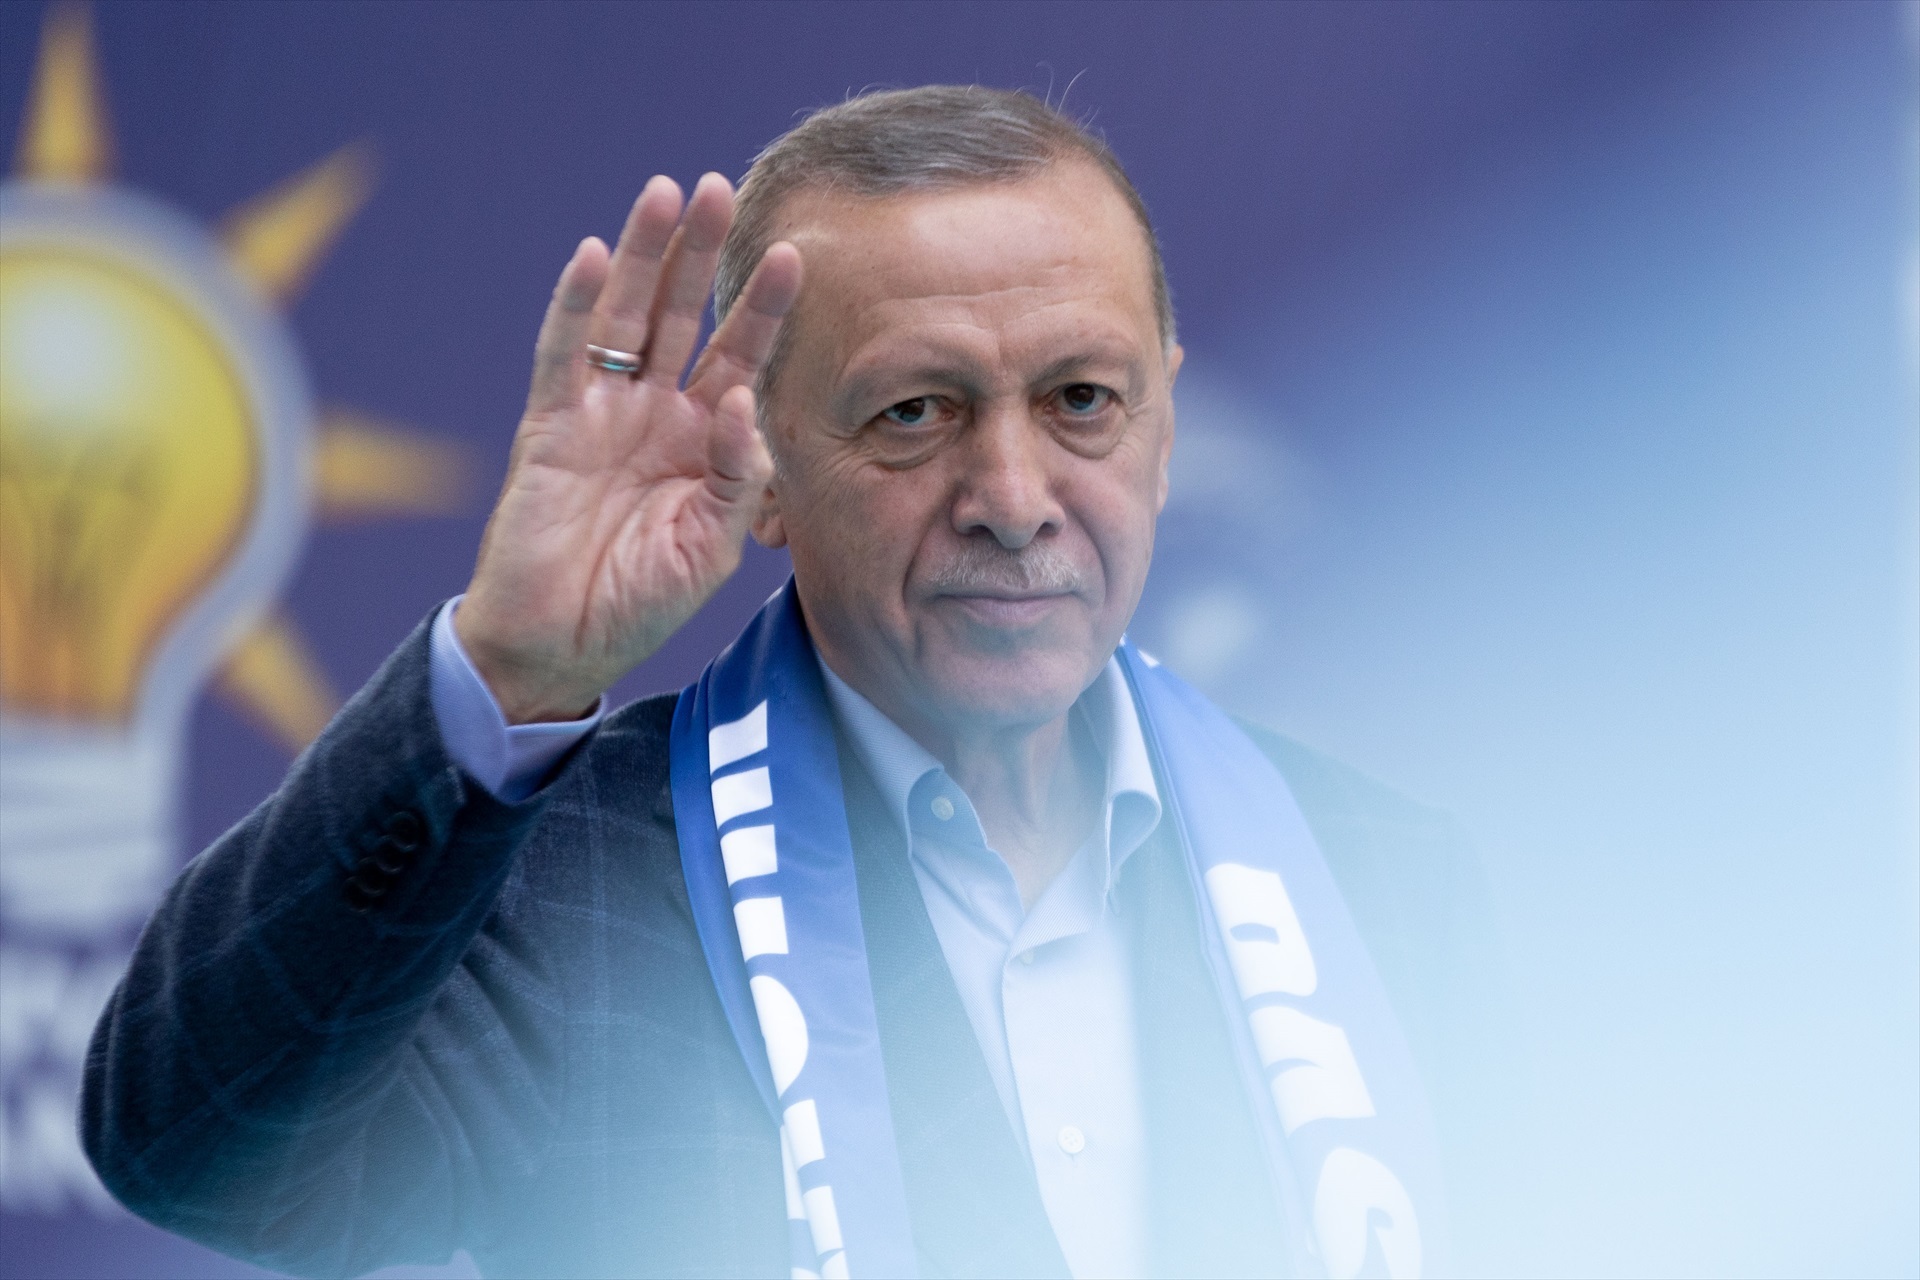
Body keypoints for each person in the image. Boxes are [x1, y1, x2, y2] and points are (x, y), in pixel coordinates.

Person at [81, 86, 1495, 1280]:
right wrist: (512, 666)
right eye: (914, 413)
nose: (1014, 500)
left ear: (1164, 428)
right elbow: (190, 1145)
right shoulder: (550, 900)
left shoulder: (1380, 881)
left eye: (1081, 400)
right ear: (762, 469)